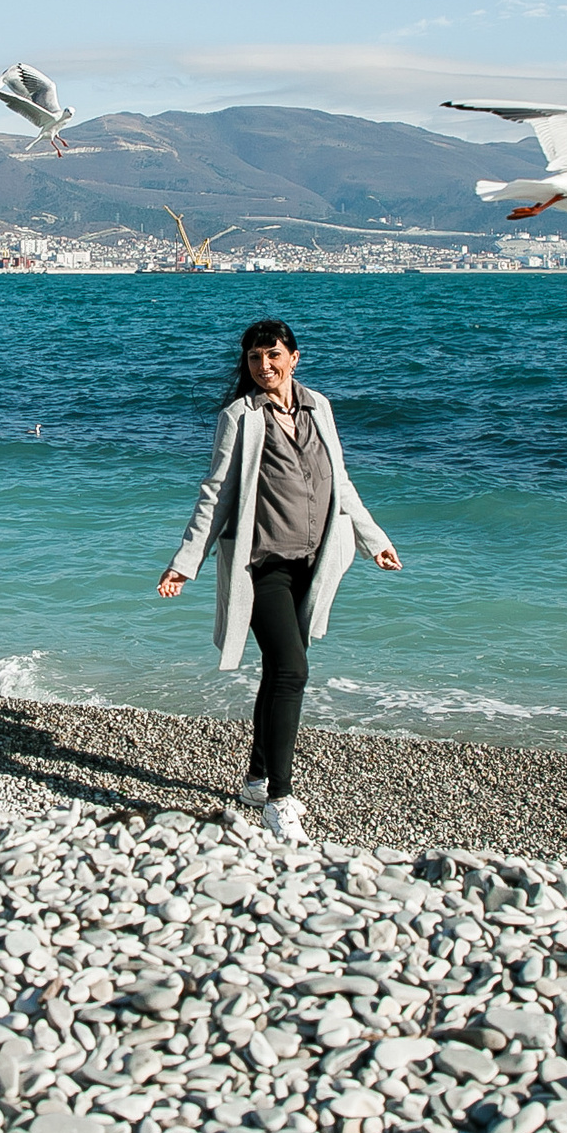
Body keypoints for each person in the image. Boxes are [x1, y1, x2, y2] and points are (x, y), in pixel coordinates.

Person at [158, 319, 401, 844]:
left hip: (313, 563)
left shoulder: (319, 407)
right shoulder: (240, 418)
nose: (263, 366)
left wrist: (373, 539)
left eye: (272, 355)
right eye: (253, 357)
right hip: (263, 564)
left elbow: (340, 480)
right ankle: (279, 799)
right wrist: (185, 561)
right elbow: (216, 493)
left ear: (294, 357)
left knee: (278, 670)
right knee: (292, 670)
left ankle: (255, 778)